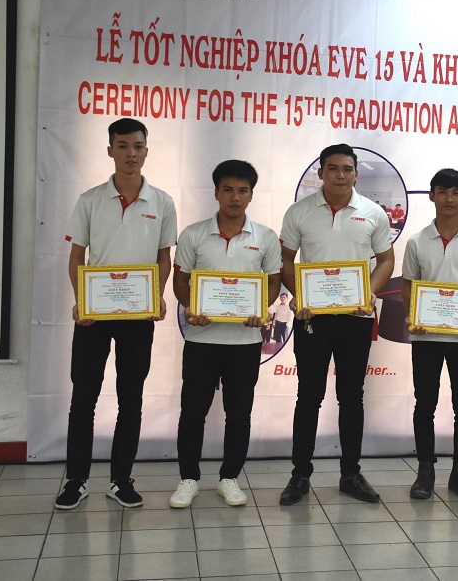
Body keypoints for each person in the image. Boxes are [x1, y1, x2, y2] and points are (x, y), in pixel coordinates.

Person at [55, 118, 177, 510]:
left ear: (146, 151)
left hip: (138, 317)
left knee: (131, 398)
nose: (130, 154)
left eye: (137, 146)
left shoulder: (162, 202)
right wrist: (82, 301)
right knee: (83, 398)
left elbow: (163, 257)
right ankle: (76, 480)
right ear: (110, 150)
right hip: (94, 315)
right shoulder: (90, 200)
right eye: (122, 146)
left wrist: (157, 296)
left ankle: (121, 480)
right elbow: (77, 256)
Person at [278, 143, 396, 505]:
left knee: (351, 397)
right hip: (312, 318)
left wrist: (368, 294)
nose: (340, 175)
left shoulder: (373, 213)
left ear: (356, 174)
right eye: (333, 168)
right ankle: (300, 475)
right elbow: (286, 261)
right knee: (308, 396)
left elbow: (386, 261)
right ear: (321, 173)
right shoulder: (299, 212)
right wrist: (299, 295)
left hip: (355, 318)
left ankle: (351, 474)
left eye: (347, 169)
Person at [167, 160, 282, 509]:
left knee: (239, 413)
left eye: (243, 191)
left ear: (251, 195)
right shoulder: (193, 234)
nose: (235, 197)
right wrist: (191, 307)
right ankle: (188, 478)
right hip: (201, 339)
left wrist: (261, 308)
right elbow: (181, 281)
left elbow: (273, 282)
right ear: (216, 193)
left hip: (245, 342)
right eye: (228, 190)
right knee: (192, 412)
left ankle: (229, 478)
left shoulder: (265, 237)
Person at [401, 169, 458, 501]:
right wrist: (413, 315)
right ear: (431, 195)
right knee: (424, 403)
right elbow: (409, 285)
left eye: (456, 193)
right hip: (425, 336)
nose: (449, 199)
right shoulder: (416, 241)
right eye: (442, 192)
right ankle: (425, 470)